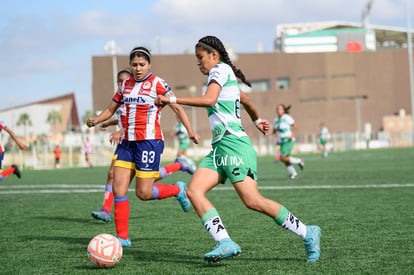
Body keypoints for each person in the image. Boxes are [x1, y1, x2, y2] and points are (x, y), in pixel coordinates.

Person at [155, 35, 321, 263]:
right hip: (219, 149)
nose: (198, 62)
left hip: (234, 146)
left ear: (214, 55)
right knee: (194, 191)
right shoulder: (224, 74)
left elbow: (210, 100)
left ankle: (307, 232)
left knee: (252, 200)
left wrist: (171, 98)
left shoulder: (219, 71)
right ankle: (225, 242)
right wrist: (256, 120)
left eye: (200, 57)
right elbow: (247, 102)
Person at [87, 46, 200, 247]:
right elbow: (111, 109)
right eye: (134, 64)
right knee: (118, 188)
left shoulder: (158, 83)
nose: (138, 68)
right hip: (127, 144)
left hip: (149, 142)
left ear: (149, 65)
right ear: (130, 65)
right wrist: (96, 120)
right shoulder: (124, 86)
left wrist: (190, 131)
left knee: (143, 193)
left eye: (142, 64)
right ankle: (122, 237)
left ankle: (177, 190)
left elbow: (177, 107)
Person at [273, 104, 305, 179]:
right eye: (277, 109)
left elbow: (294, 126)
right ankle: (293, 173)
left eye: (280, 109)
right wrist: (266, 132)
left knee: (282, 158)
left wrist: (292, 135)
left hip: (288, 140)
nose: (278, 110)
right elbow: (274, 131)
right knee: (285, 159)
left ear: (283, 110)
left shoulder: (287, 118)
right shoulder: (276, 119)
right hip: (281, 142)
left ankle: (299, 160)